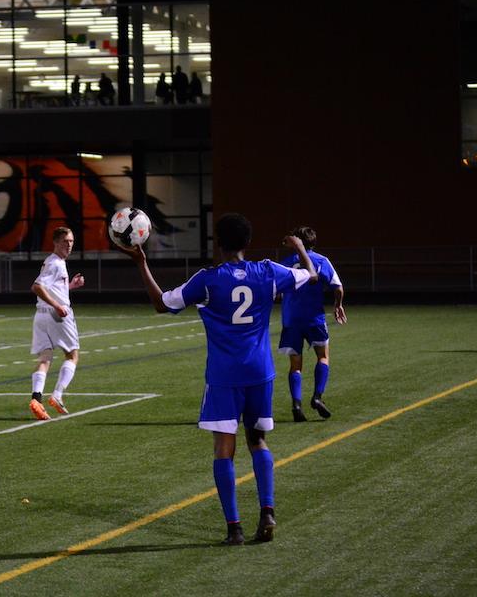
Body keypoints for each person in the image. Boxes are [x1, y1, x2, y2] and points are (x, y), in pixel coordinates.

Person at [121, 213, 317, 545]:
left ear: (218, 243)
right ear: (248, 242)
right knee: (258, 442)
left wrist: (141, 262)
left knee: (224, 449)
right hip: (260, 373)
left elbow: (161, 304)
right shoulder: (268, 271)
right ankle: (267, 510)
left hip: (225, 375)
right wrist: (299, 248)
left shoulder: (208, 280)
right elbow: (311, 276)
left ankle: (234, 528)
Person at [278, 226, 347, 422]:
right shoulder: (321, 261)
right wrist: (338, 305)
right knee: (323, 357)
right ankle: (317, 397)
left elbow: (276, 290)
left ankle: (296, 404)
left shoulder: (286, 264)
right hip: (314, 318)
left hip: (291, 319)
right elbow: (338, 287)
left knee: (295, 365)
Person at [29, 227, 85, 420]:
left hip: (41, 315)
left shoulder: (53, 262)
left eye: (71, 241)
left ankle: (36, 399)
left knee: (45, 357)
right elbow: (36, 286)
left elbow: (50, 288)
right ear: (55, 243)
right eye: (64, 241)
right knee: (72, 355)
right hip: (57, 315)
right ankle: (57, 395)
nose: (69, 245)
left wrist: (70, 287)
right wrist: (57, 305)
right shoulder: (56, 263)